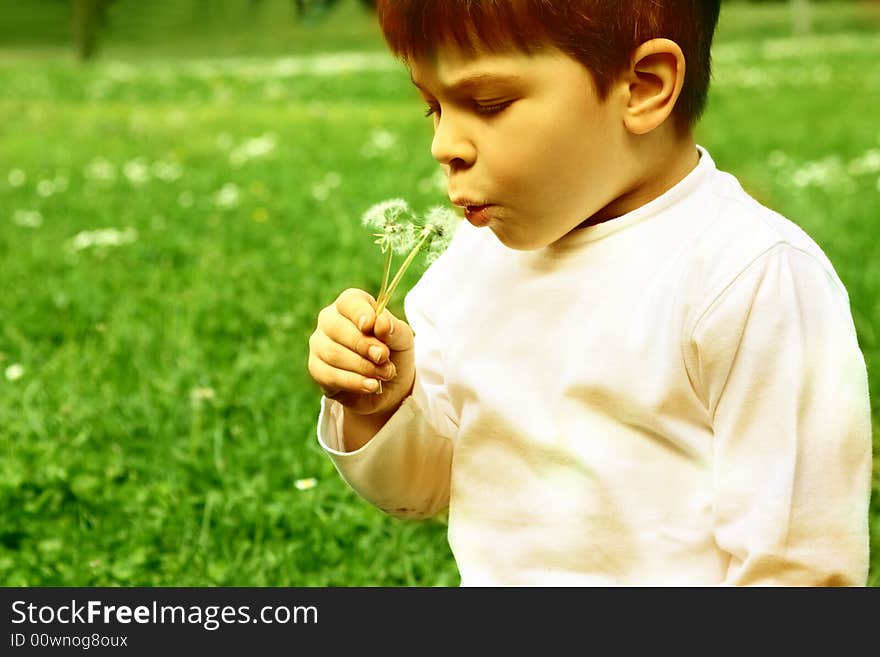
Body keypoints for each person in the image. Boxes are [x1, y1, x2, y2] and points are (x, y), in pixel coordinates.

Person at [306, 0, 873, 586]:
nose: (444, 144)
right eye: (433, 106)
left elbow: (798, 561)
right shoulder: (469, 267)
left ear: (642, 87)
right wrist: (383, 405)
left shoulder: (749, 277)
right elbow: (420, 489)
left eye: (489, 103)